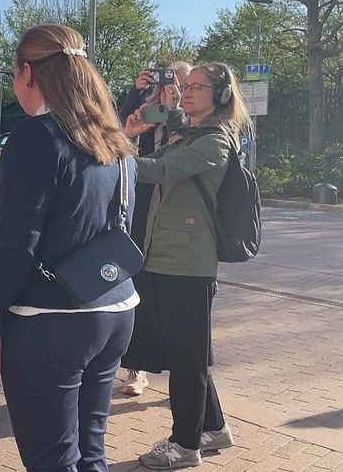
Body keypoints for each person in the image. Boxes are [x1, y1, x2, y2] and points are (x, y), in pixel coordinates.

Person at [0, 24, 138, 472]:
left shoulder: (35, 137)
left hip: (50, 321)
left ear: (28, 72)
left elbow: (15, 243)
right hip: (116, 308)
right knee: (90, 456)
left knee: (53, 461)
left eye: (13, 73)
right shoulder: (115, 141)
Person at [123, 62, 252, 470]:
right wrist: (134, 115)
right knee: (186, 353)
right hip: (164, 257)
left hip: (189, 264)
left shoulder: (214, 141)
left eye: (198, 87)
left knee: (187, 362)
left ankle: (185, 446)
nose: (186, 91)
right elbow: (149, 130)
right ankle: (213, 429)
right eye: (186, 84)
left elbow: (158, 170)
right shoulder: (187, 131)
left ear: (221, 96)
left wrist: (109, 154)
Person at [117, 62, 192, 397]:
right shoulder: (147, 108)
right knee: (139, 287)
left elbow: (180, 146)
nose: (173, 88)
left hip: (177, 213)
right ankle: (136, 369)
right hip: (142, 206)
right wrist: (138, 92)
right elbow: (117, 131)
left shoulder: (193, 117)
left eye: (182, 83)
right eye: (168, 81)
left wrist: (175, 108)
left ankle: (188, 379)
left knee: (178, 300)